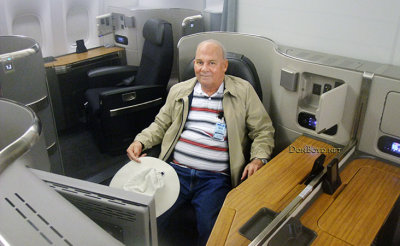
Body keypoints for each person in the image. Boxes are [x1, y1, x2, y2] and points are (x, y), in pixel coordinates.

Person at [127, 39, 274, 245]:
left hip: (213, 179)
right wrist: (140, 141)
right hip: (175, 172)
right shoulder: (179, 91)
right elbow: (160, 124)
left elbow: (263, 131)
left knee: (211, 229)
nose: (204, 69)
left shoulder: (243, 91)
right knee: (148, 218)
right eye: (199, 62)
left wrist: (258, 158)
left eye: (212, 63)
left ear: (224, 66)